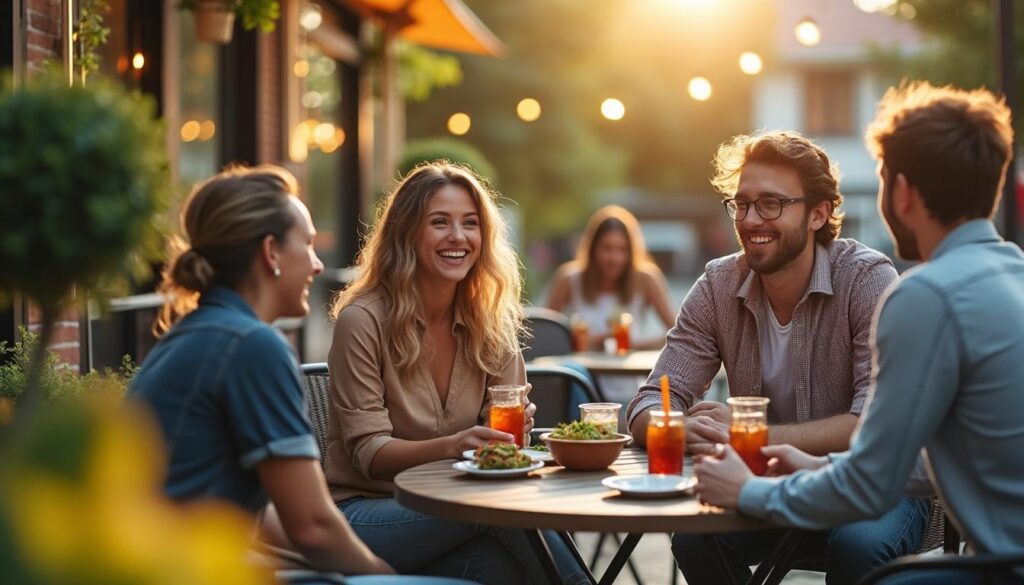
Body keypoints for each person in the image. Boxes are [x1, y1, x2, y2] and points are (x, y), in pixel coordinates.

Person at [694, 83, 1024, 584]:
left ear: (902, 192)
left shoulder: (926, 295)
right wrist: (818, 466)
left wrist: (748, 491)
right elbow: (941, 458)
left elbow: (872, 487)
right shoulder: (1013, 272)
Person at [130, 165, 471, 585]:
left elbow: (271, 516)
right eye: (308, 244)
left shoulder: (202, 333)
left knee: (489, 563)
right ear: (271, 253)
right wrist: (382, 574)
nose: (317, 264)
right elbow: (312, 526)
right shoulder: (251, 346)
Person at [625, 131, 929, 585]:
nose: (751, 220)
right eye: (742, 204)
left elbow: (872, 424)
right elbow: (648, 402)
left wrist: (748, 436)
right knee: (694, 539)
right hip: (766, 484)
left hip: (874, 483)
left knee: (858, 546)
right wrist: (677, 427)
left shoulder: (866, 279)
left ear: (818, 213)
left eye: (771, 204)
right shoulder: (717, 286)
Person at [326, 162, 589, 585]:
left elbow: (504, 445)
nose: (458, 236)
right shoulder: (363, 321)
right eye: (439, 222)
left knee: (508, 566)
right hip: (367, 514)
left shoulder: (492, 324)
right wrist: (454, 446)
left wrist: (510, 436)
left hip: (461, 506)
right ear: (406, 233)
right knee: (502, 509)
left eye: (470, 223)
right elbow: (370, 455)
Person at [547, 205, 676, 352]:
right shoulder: (569, 279)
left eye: (622, 250)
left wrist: (633, 345)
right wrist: (585, 342)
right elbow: (544, 331)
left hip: (631, 366)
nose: (615, 258)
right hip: (580, 366)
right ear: (592, 249)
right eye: (607, 248)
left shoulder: (646, 278)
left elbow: (677, 334)